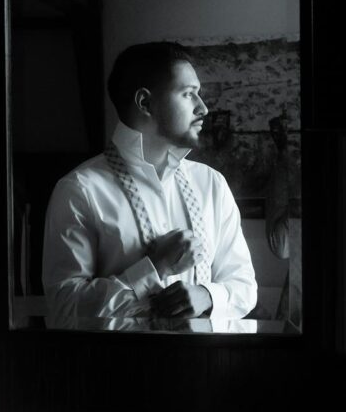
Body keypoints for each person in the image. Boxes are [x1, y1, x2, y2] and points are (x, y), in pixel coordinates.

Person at [42, 42, 257, 328]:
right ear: (145, 103)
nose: (203, 108)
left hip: (206, 368)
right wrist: (154, 268)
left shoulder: (212, 184)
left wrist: (208, 296)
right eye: (188, 94)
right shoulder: (79, 190)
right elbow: (64, 309)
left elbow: (244, 286)